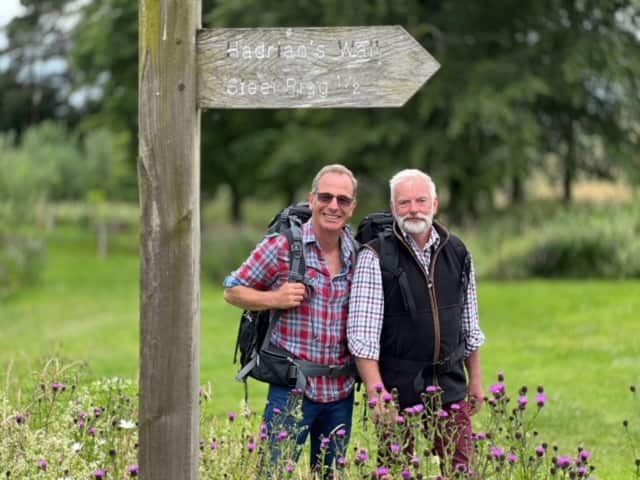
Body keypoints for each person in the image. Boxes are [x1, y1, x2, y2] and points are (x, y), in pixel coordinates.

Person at [223, 164, 359, 478]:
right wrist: (274, 299)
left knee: (329, 476)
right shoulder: (282, 247)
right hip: (292, 392)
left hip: (341, 391)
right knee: (273, 474)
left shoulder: (356, 253)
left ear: (353, 208)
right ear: (312, 199)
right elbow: (232, 290)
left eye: (343, 199)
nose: (333, 205)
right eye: (326, 196)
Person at [347, 168, 485, 476]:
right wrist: (376, 390)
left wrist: (475, 379)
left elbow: (470, 325)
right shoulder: (375, 256)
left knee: (462, 471)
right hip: (397, 390)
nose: (413, 209)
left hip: (449, 384)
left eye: (421, 201)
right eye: (404, 202)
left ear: (435, 204)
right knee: (395, 471)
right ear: (394, 207)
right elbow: (362, 335)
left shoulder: (458, 251)